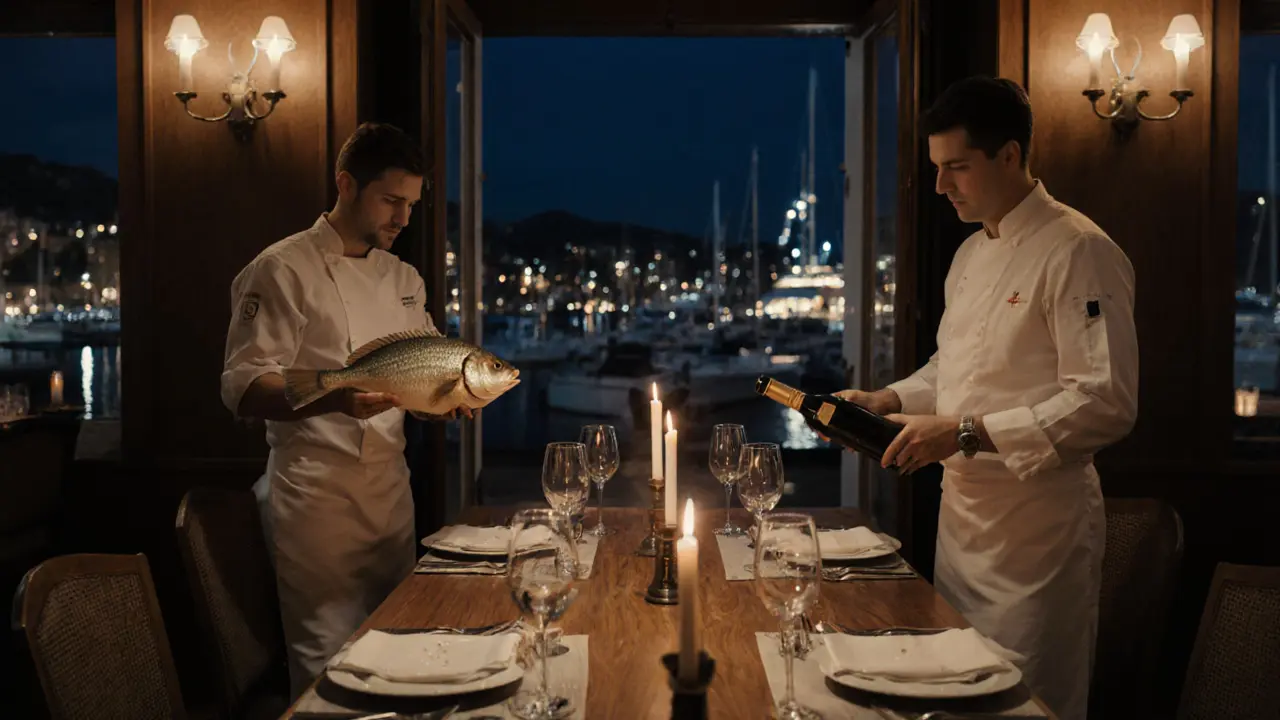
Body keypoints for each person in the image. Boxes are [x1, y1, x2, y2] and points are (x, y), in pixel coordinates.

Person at [837, 77, 1138, 720]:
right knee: (953, 695)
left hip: (1039, 537)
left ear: (1009, 155)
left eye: (956, 168)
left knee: (1025, 704)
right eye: (937, 170)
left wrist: (966, 433)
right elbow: (958, 366)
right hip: (963, 527)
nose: (942, 187)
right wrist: (888, 399)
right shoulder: (972, 252)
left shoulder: (1078, 250)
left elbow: (1104, 401)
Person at [220, 122, 471, 696]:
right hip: (316, 499)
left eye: (410, 204)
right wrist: (334, 398)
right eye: (390, 201)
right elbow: (242, 386)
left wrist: (443, 404)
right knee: (328, 668)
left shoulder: (404, 278)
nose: (403, 219)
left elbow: (423, 371)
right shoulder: (282, 269)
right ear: (345, 185)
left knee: (399, 655)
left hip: (390, 493)